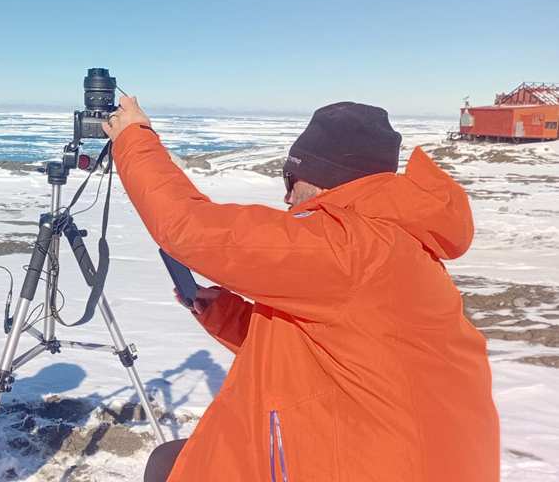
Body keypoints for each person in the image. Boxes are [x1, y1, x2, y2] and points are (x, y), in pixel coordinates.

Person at [103, 100, 499, 481]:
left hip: (381, 464)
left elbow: (189, 228)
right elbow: (321, 350)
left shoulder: (350, 248)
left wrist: (134, 137)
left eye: (290, 180)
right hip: (387, 451)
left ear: (325, 179)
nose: (287, 196)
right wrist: (224, 312)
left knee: (178, 465)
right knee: (174, 462)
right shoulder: (387, 245)